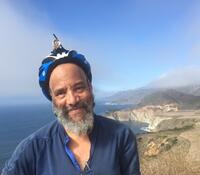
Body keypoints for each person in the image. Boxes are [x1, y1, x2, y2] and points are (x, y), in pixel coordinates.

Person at [1, 35, 141, 175]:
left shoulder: (121, 137)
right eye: (61, 93)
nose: (72, 100)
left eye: (79, 88)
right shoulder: (32, 149)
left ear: (90, 88)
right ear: (52, 98)